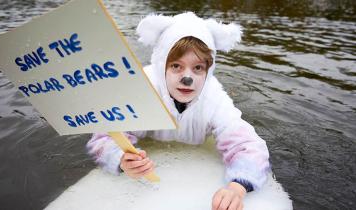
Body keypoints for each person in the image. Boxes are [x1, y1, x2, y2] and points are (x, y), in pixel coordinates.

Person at [87, 12, 270, 210]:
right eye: (176, 66)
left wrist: (237, 187)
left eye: (198, 68)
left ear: (208, 71)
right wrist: (121, 159)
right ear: (161, 66)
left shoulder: (214, 99)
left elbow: (249, 145)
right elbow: (104, 136)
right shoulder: (142, 91)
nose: (187, 78)